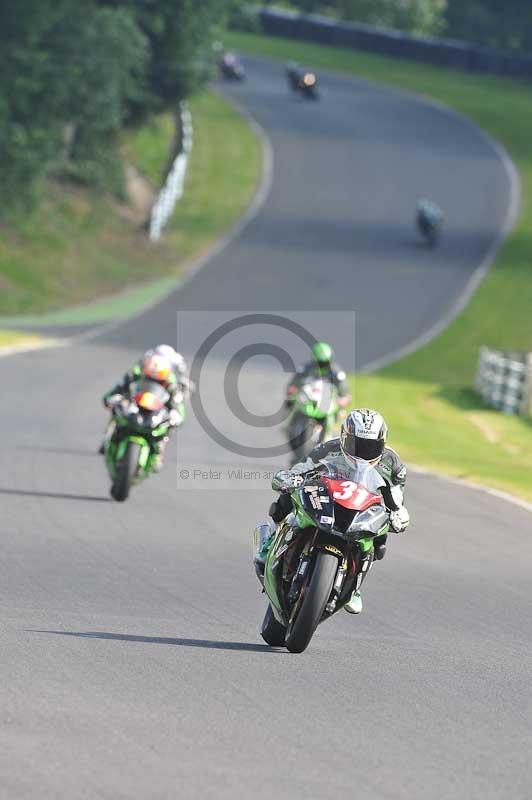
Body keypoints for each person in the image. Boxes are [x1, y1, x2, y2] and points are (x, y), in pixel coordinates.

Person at [254, 408, 410, 615]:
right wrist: (290, 478)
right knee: (286, 498)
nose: (363, 451)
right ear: (345, 437)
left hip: (361, 507)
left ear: (382, 443)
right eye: (357, 444)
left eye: (370, 446)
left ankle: (355, 586)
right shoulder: (328, 448)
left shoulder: (393, 465)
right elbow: (301, 468)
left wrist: (398, 513)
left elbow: (396, 498)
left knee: (380, 538)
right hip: (327, 498)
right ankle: (271, 539)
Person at [100, 345, 192, 468]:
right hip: (135, 403)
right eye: (149, 377)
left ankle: (158, 453)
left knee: (167, 426)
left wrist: (176, 415)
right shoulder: (137, 372)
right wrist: (113, 398)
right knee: (118, 409)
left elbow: (178, 405)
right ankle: (108, 436)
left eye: (159, 380)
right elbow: (118, 388)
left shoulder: (171, 381)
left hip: (156, 410)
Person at [286, 342, 351, 412]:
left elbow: (344, 391)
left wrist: (344, 399)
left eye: (325, 363)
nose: (322, 365)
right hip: (307, 401)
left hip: (327, 403)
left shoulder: (337, 372)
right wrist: (292, 393)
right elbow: (293, 385)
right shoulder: (305, 369)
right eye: (319, 363)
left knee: (341, 413)